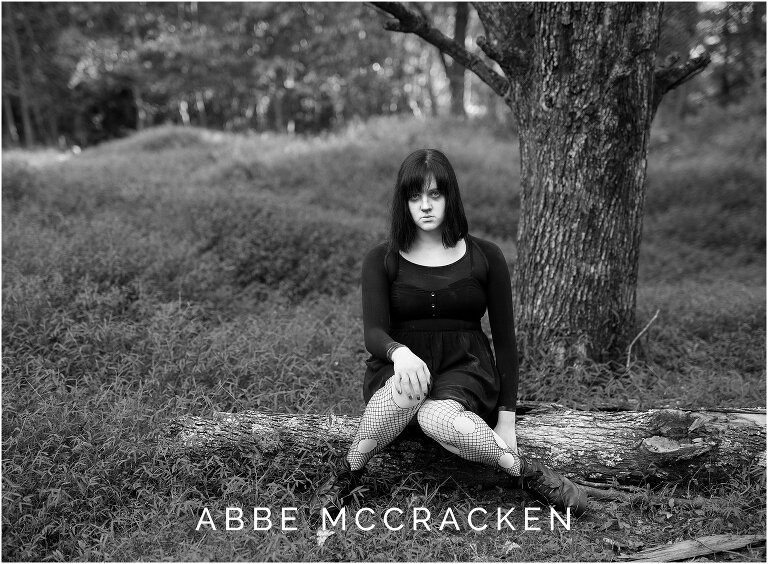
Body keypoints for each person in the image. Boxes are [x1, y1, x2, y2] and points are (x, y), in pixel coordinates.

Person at [312, 149, 587, 520]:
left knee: (436, 418)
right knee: (407, 390)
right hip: (400, 372)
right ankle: (347, 475)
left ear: (449, 196)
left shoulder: (486, 256)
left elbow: (505, 342)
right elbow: (373, 332)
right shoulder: (382, 258)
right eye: (415, 197)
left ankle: (526, 472)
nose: (425, 206)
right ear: (404, 202)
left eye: (434, 194)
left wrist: (506, 420)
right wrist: (399, 353)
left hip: (465, 369)